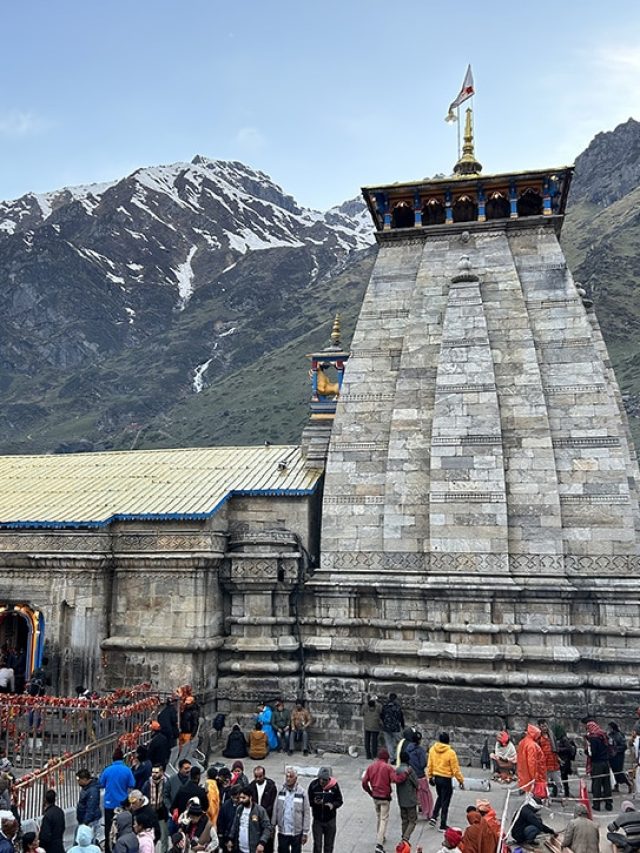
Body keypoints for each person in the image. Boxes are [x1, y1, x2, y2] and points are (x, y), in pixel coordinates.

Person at [362, 748, 403, 853]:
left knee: (379, 817)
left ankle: (380, 836)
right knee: (384, 819)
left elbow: (364, 782)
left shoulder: (371, 767)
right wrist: (405, 774)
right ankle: (379, 844)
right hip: (385, 797)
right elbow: (396, 779)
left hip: (375, 796)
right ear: (387, 758)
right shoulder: (388, 768)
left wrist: (370, 792)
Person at [100, 748, 136, 853]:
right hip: (122, 805)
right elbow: (132, 784)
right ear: (122, 758)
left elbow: (101, 784)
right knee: (122, 829)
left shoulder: (107, 770)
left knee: (108, 829)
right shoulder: (127, 770)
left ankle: (108, 849)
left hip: (109, 804)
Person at [427, 732, 464, 832]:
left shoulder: (432, 750)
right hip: (446, 779)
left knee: (440, 797)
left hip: (437, 777)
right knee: (445, 801)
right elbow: (455, 769)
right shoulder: (450, 753)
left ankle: (434, 816)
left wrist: (430, 776)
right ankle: (443, 824)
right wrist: (460, 780)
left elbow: (429, 765)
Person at [273, 767, 310, 853]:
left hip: (296, 833)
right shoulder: (280, 791)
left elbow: (306, 813)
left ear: (296, 779)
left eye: (291, 777)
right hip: (283, 831)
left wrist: (305, 832)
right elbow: (276, 808)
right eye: (287, 776)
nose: (288, 779)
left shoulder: (302, 793)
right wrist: (273, 825)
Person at [307, 766, 343, 853]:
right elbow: (308, 801)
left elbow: (339, 800)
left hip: (330, 819)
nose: (322, 782)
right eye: (320, 779)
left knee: (329, 845)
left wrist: (333, 805)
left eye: (324, 780)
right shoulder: (313, 785)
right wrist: (315, 802)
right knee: (317, 845)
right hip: (318, 819)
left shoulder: (334, 787)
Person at [227, 786, 272, 853]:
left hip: (254, 849)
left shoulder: (260, 810)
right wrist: (230, 838)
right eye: (240, 798)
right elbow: (235, 825)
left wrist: (262, 842)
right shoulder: (239, 809)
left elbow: (267, 828)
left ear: (250, 797)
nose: (241, 800)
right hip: (240, 848)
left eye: (244, 798)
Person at [583, 718, 613, 811]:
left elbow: (593, 753)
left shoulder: (593, 738)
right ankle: (609, 804)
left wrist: (586, 750)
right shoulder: (603, 735)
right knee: (606, 784)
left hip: (597, 763)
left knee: (597, 784)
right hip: (605, 762)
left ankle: (597, 804)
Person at [142, 765, 170, 853]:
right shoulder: (147, 784)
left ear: (162, 772)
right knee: (150, 837)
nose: (154, 774)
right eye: (153, 772)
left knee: (164, 837)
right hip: (150, 815)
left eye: (157, 772)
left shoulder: (166, 782)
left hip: (162, 814)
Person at [516, 724, 547, 798]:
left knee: (528, 794)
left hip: (524, 772)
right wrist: (534, 777)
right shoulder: (532, 745)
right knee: (532, 796)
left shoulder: (523, 742)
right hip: (533, 774)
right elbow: (532, 763)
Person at [395, 753, 418, 846]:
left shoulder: (397, 770)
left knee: (404, 820)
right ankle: (405, 838)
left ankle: (403, 839)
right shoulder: (409, 771)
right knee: (412, 820)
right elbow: (416, 783)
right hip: (410, 799)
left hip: (401, 799)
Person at [76, 768, 102, 842]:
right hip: (85, 820)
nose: (78, 782)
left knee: (89, 841)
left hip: (90, 821)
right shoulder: (86, 788)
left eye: (79, 780)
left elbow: (91, 808)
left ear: (84, 779)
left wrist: (85, 822)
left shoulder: (92, 791)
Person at [538, 720, 562, 798]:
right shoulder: (538, 737)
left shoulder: (551, 735)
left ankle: (560, 795)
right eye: (542, 726)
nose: (544, 728)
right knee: (545, 782)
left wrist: (558, 758)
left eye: (545, 726)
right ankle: (546, 796)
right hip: (544, 762)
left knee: (558, 781)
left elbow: (556, 748)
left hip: (554, 761)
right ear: (539, 727)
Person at [554, 724, 576, 798]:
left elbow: (570, 749)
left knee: (564, 778)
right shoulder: (557, 739)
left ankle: (566, 792)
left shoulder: (564, 739)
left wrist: (560, 749)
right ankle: (556, 792)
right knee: (556, 777)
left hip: (564, 761)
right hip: (559, 760)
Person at [609, 722, 633, 794]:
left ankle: (628, 783)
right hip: (612, 756)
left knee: (619, 771)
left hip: (618, 757)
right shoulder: (610, 735)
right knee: (613, 771)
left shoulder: (619, 735)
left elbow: (624, 746)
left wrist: (616, 749)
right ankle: (616, 786)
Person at [217, 785, 242, 852]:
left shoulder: (244, 806)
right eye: (233, 797)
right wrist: (223, 840)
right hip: (228, 840)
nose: (235, 800)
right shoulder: (225, 806)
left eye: (237, 798)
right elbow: (220, 824)